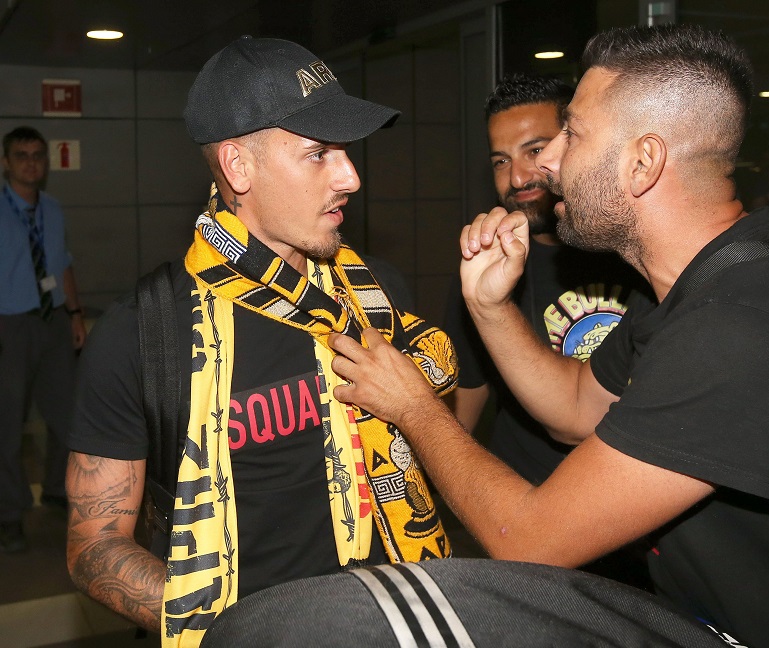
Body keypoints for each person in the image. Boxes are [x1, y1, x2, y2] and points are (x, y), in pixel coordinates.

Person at [327, 24, 769, 648]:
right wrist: (491, 308)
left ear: (643, 163)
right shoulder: (702, 286)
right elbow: (575, 408)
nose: (546, 161)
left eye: (573, 134)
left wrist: (415, 406)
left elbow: (529, 539)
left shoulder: (743, 329)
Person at [66, 36, 457, 647]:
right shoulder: (143, 333)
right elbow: (94, 547)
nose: (351, 176)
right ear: (237, 167)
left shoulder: (376, 295)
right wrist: (242, 631)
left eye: (345, 151)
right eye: (318, 153)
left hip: (402, 620)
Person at [445, 73, 651, 484]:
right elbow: (462, 411)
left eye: (535, 150)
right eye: (501, 161)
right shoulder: (486, 267)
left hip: (639, 497)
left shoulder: (641, 256)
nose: (518, 178)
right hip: (525, 496)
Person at [0, 126, 86, 553]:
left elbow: (61, 263)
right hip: (9, 325)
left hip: (52, 321)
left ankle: (57, 490)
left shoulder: (51, 208)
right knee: (7, 424)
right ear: (6, 163)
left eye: (37, 155)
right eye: (21, 155)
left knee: (68, 414)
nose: (31, 162)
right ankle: (9, 513)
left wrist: (74, 313)